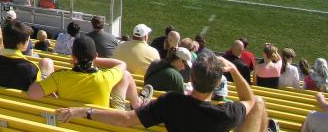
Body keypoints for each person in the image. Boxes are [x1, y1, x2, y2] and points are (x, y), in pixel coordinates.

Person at [55, 53, 268, 132]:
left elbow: (126, 119)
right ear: (217, 85)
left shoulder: (171, 102)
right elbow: (249, 99)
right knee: (259, 102)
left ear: (191, 79)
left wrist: (83, 111)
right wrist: (233, 70)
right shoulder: (227, 113)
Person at [28, 35, 153, 110]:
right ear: (95, 56)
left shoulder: (59, 77)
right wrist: (96, 60)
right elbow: (122, 65)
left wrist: (46, 86)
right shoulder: (105, 77)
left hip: (68, 122)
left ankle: (137, 103)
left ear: (73, 57)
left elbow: (32, 93)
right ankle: (138, 103)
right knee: (125, 75)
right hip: (101, 123)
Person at [0, 20, 54, 91]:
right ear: (20, 44)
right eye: (28, 39)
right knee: (47, 63)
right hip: (22, 103)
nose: (29, 42)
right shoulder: (32, 69)